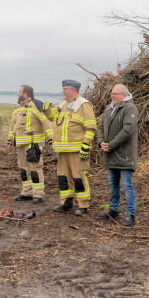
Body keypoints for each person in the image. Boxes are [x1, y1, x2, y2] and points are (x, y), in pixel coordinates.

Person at [50, 79, 97, 215]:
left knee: (79, 177)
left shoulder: (83, 104)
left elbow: (91, 127)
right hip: (62, 149)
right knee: (63, 177)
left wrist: (85, 145)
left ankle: (83, 205)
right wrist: (47, 111)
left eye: (65, 89)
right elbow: (51, 118)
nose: (63, 92)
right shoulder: (62, 104)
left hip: (77, 149)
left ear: (72, 90)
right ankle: (66, 202)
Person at [96, 85, 139, 227]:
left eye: (115, 94)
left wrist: (111, 144)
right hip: (111, 154)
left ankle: (130, 214)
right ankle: (114, 209)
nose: (112, 96)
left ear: (124, 94)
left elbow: (128, 130)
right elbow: (101, 127)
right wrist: (101, 142)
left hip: (124, 155)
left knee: (127, 185)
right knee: (113, 183)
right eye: (111, 94)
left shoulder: (129, 108)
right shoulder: (109, 109)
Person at [7, 85, 54, 204]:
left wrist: (51, 138)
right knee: (23, 170)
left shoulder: (36, 105)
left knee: (35, 169)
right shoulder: (17, 108)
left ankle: (38, 194)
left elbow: (47, 123)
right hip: (20, 144)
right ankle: (27, 192)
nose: (17, 94)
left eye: (19, 92)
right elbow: (13, 126)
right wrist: (9, 139)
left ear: (26, 94)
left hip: (33, 144)